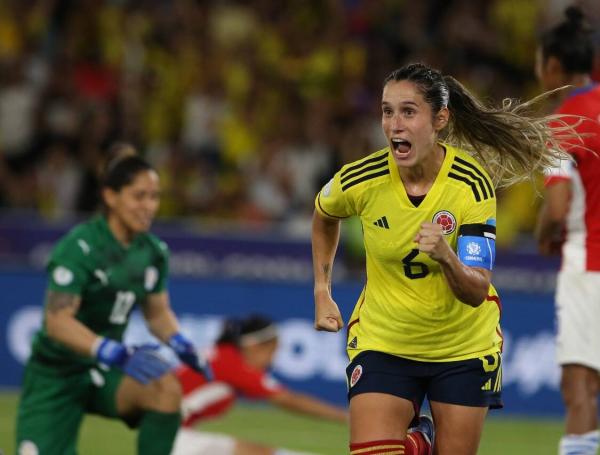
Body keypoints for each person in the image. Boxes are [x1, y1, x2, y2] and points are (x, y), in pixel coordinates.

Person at [311, 62, 577, 455]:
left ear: (440, 119)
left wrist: (447, 256)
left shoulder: (469, 185)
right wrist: (322, 289)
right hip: (384, 340)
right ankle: (419, 445)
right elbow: (323, 217)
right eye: (387, 111)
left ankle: (421, 443)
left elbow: (476, 289)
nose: (394, 125)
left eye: (408, 111)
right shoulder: (361, 179)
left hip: (461, 348)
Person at [15, 152, 210, 455]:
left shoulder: (153, 252)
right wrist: (109, 349)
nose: (149, 206)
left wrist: (180, 342)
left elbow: (157, 312)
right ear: (110, 196)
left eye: (155, 197)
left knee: (166, 389)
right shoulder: (79, 246)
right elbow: (57, 321)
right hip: (57, 374)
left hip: (105, 369)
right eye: (139, 196)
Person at [534, 6, 600, 455]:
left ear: (553, 66)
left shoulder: (562, 125)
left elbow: (557, 209)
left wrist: (542, 235)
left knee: (579, 389)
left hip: (588, 265)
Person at [172, 314, 348, 455]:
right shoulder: (233, 364)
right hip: (168, 439)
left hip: (164, 434)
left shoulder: (221, 355)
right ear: (255, 346)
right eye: (272, 351)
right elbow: (289, 400)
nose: (271, 361)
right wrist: (345, 417)